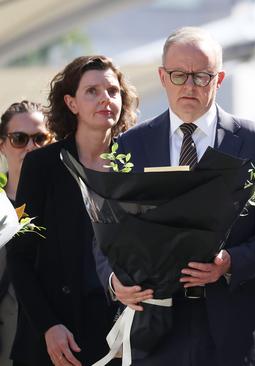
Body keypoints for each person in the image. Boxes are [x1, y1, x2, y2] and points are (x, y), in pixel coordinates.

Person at [92, 27, 255, 366]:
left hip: (233, 327)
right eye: (179, 75)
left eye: (201, 76)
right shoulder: (130, 146)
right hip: (155, 326)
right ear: (162, 77)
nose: (189, 86)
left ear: (219, 78)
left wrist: (230, 262)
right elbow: (104, 230)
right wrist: (114, 282)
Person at [7, 55, 137, 366]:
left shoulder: (136, 162)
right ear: (72, 102)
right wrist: (48, 326)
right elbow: (19, 256)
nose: (105, 98)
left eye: (112, 90)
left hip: (117, 333)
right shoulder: (42, 165)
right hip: (55, 337)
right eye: (92, 91)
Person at [0, 100, 50, 366]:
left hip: (57, 343)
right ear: (2, 145)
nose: (31, 147)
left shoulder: (61, 203)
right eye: (19, 139)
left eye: (41, 138)